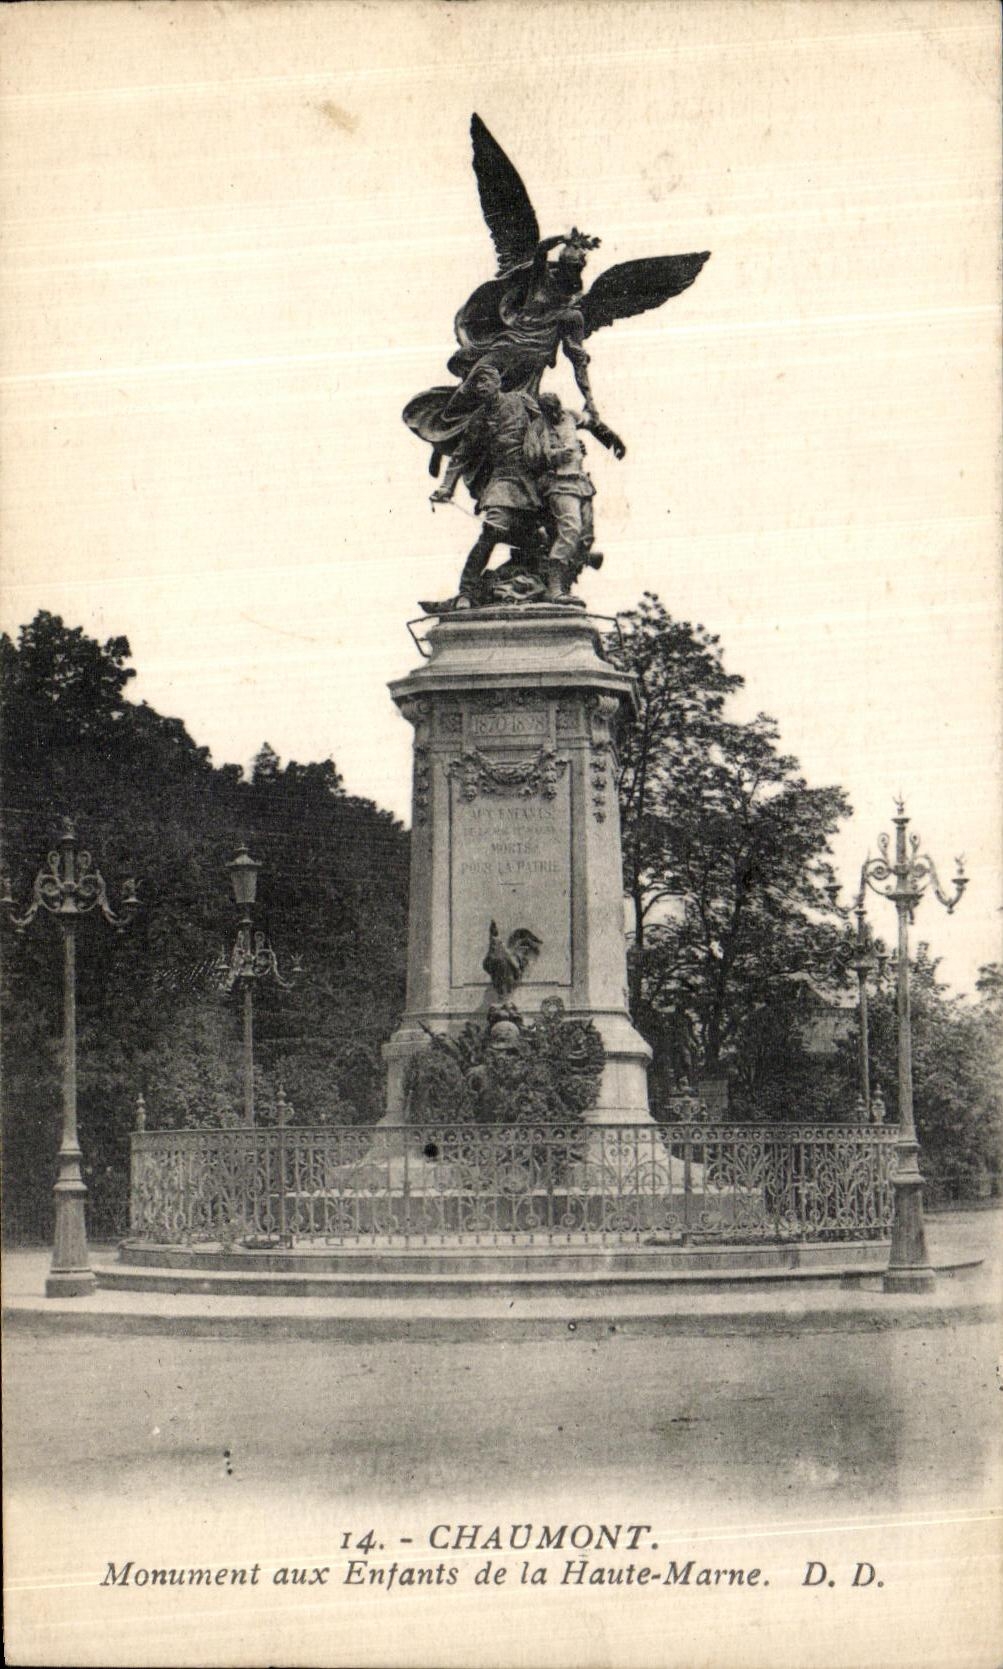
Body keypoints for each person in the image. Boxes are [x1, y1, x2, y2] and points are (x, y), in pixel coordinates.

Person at [421, 364, 545, 609]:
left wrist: (555, 444)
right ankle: (466, 591)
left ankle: (538, 586)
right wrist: (446, 487)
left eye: (485, 381)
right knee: (492, 531)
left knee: (539, 538)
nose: (481, 386)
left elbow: (546, 423)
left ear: (497, 382)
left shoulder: (520, 400)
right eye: (477, 383)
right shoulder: (479, 418)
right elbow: (462, 454)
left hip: (533, 478)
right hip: (502, 480)